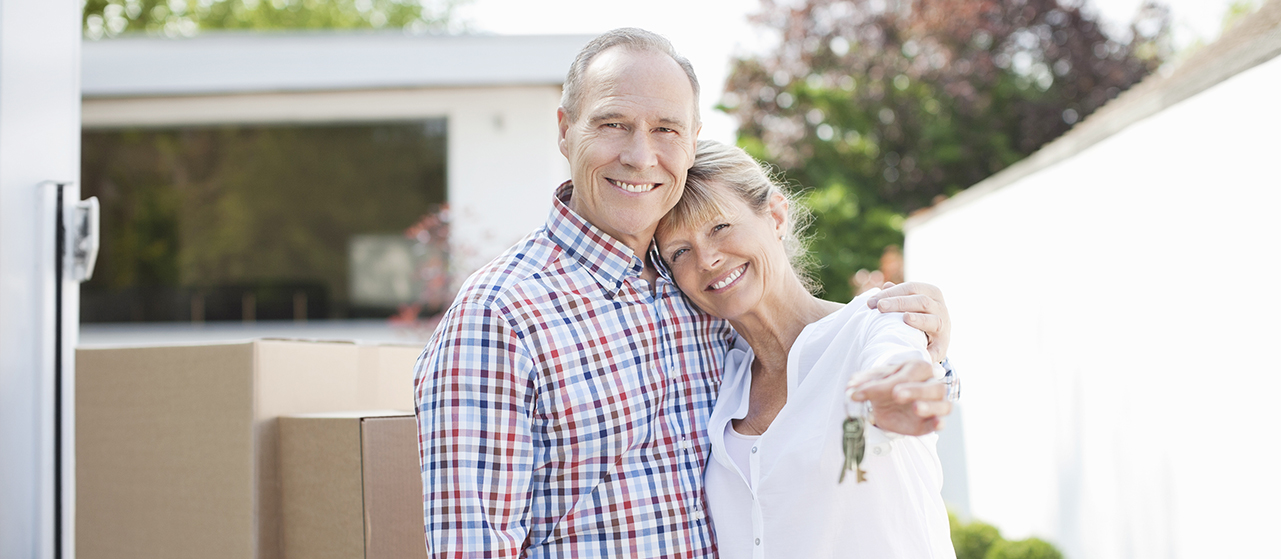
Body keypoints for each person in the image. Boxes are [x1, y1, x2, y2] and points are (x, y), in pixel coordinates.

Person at [413, 28, 954, 558]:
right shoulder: (499, 315)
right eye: (613, 124)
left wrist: (925, 359)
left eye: (666, 129)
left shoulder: (699, 300)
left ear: (692, 140)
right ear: (565, 129)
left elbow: (853, 374)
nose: (640, 155)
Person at [653, 140, 956, 559]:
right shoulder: (722, 378)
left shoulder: (876, 323)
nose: (706, 259)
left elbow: (897, 360)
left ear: (776, 215)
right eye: (679, 251)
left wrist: (907, 383)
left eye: (719, 227)